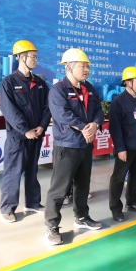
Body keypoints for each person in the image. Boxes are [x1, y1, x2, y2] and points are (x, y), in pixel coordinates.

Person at [44, 48, 104, 246]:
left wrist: (95, 124)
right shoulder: (58, 90)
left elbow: (98, 110)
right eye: (82, 66)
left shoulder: (90, 88)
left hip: (85, 145)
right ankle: (52, 226)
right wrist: (84, 128)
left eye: (88, 66)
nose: (87, 70)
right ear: (69, 67)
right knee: (59, 188)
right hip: (67, 145)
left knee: (83, 184)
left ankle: (82, 216)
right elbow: (62, 114)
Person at [0, 40, 51, 223]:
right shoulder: (9, 82)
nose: (36, 60)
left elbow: (47, 107)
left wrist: (42, 126)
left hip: (36, 135)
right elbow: (9, 110)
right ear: (21, 57)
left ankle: (33, 203)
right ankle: (7, 209)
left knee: (32, 170)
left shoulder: (40, 83)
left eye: (36, 57)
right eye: (32, 56)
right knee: (13, 172)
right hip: (18, 137)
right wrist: (25, 130)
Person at [109, 66, 136, 222]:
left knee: (135, 177)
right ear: (128, 83)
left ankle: (132, 202)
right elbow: (115, 128)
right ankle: (116, 209)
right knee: (118, 179)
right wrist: (120, 148)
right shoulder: (118, 102)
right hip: (126, 148)